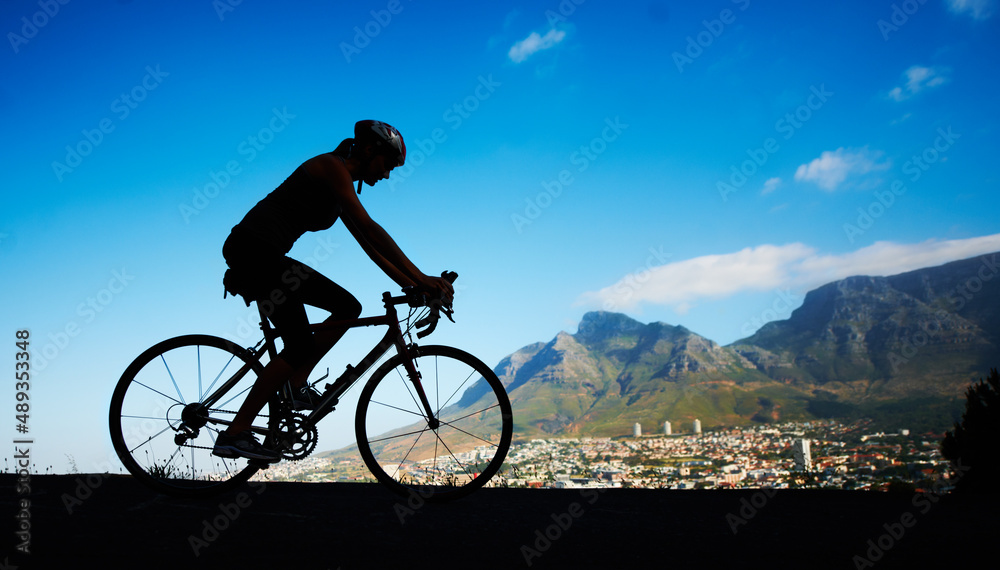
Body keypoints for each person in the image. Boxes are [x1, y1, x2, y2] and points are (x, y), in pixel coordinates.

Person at [213, 119, 454, 462]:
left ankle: (295, 385)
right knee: (298, 345)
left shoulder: (341, 192)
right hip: (253, 252)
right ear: (370, 150)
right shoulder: (330, 166)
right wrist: (423, 277)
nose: (386, 176)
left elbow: (371, 249)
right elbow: (372, 229)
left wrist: (414, 285)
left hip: (267, 257)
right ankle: (235, 433)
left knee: (347, 307)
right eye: (388, 165)